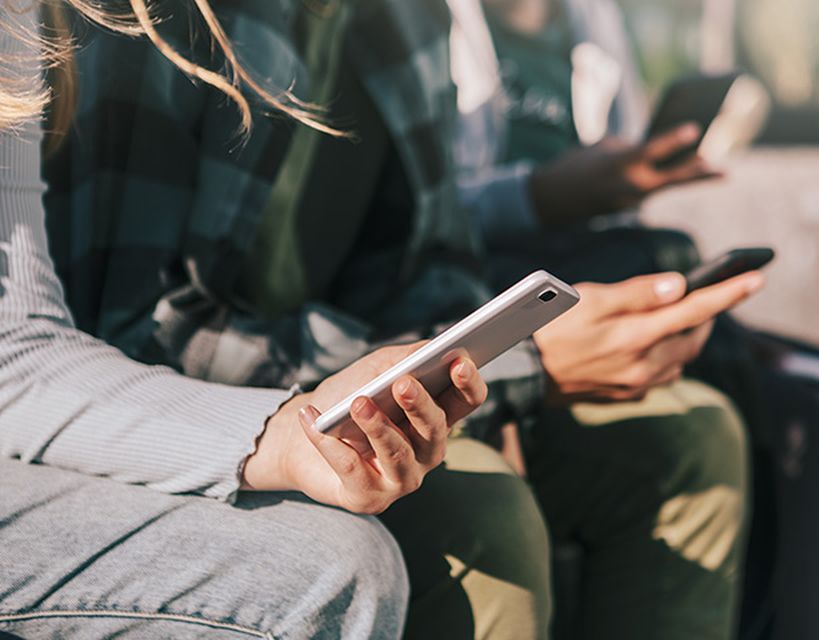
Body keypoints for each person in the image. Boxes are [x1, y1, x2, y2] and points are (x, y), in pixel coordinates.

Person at [41, 1, 767, 638]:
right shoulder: (169, 21)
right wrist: (523, 368)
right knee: (479, 513)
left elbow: (430, 263)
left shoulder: (410, 16)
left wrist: (492, 371)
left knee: (691, 437)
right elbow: (139, 332)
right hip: (213, 415)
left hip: (371, 377)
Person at [0, 2, 490, 638]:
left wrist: (295, 430)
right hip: (183, 377)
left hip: (224, 386)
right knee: (327, 567)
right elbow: (138, 320)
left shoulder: (413, 21)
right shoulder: (151, 28)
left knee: (482, 509)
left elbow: (18, 341)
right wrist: (277, 432)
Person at [448, 1, 819, 638]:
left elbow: (614, 203)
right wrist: (547, 195)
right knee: (809, 420)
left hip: (600, 270)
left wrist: (625, 179)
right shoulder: (420, 24)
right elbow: (422, 226)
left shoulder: (592, 21)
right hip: (502, 289)